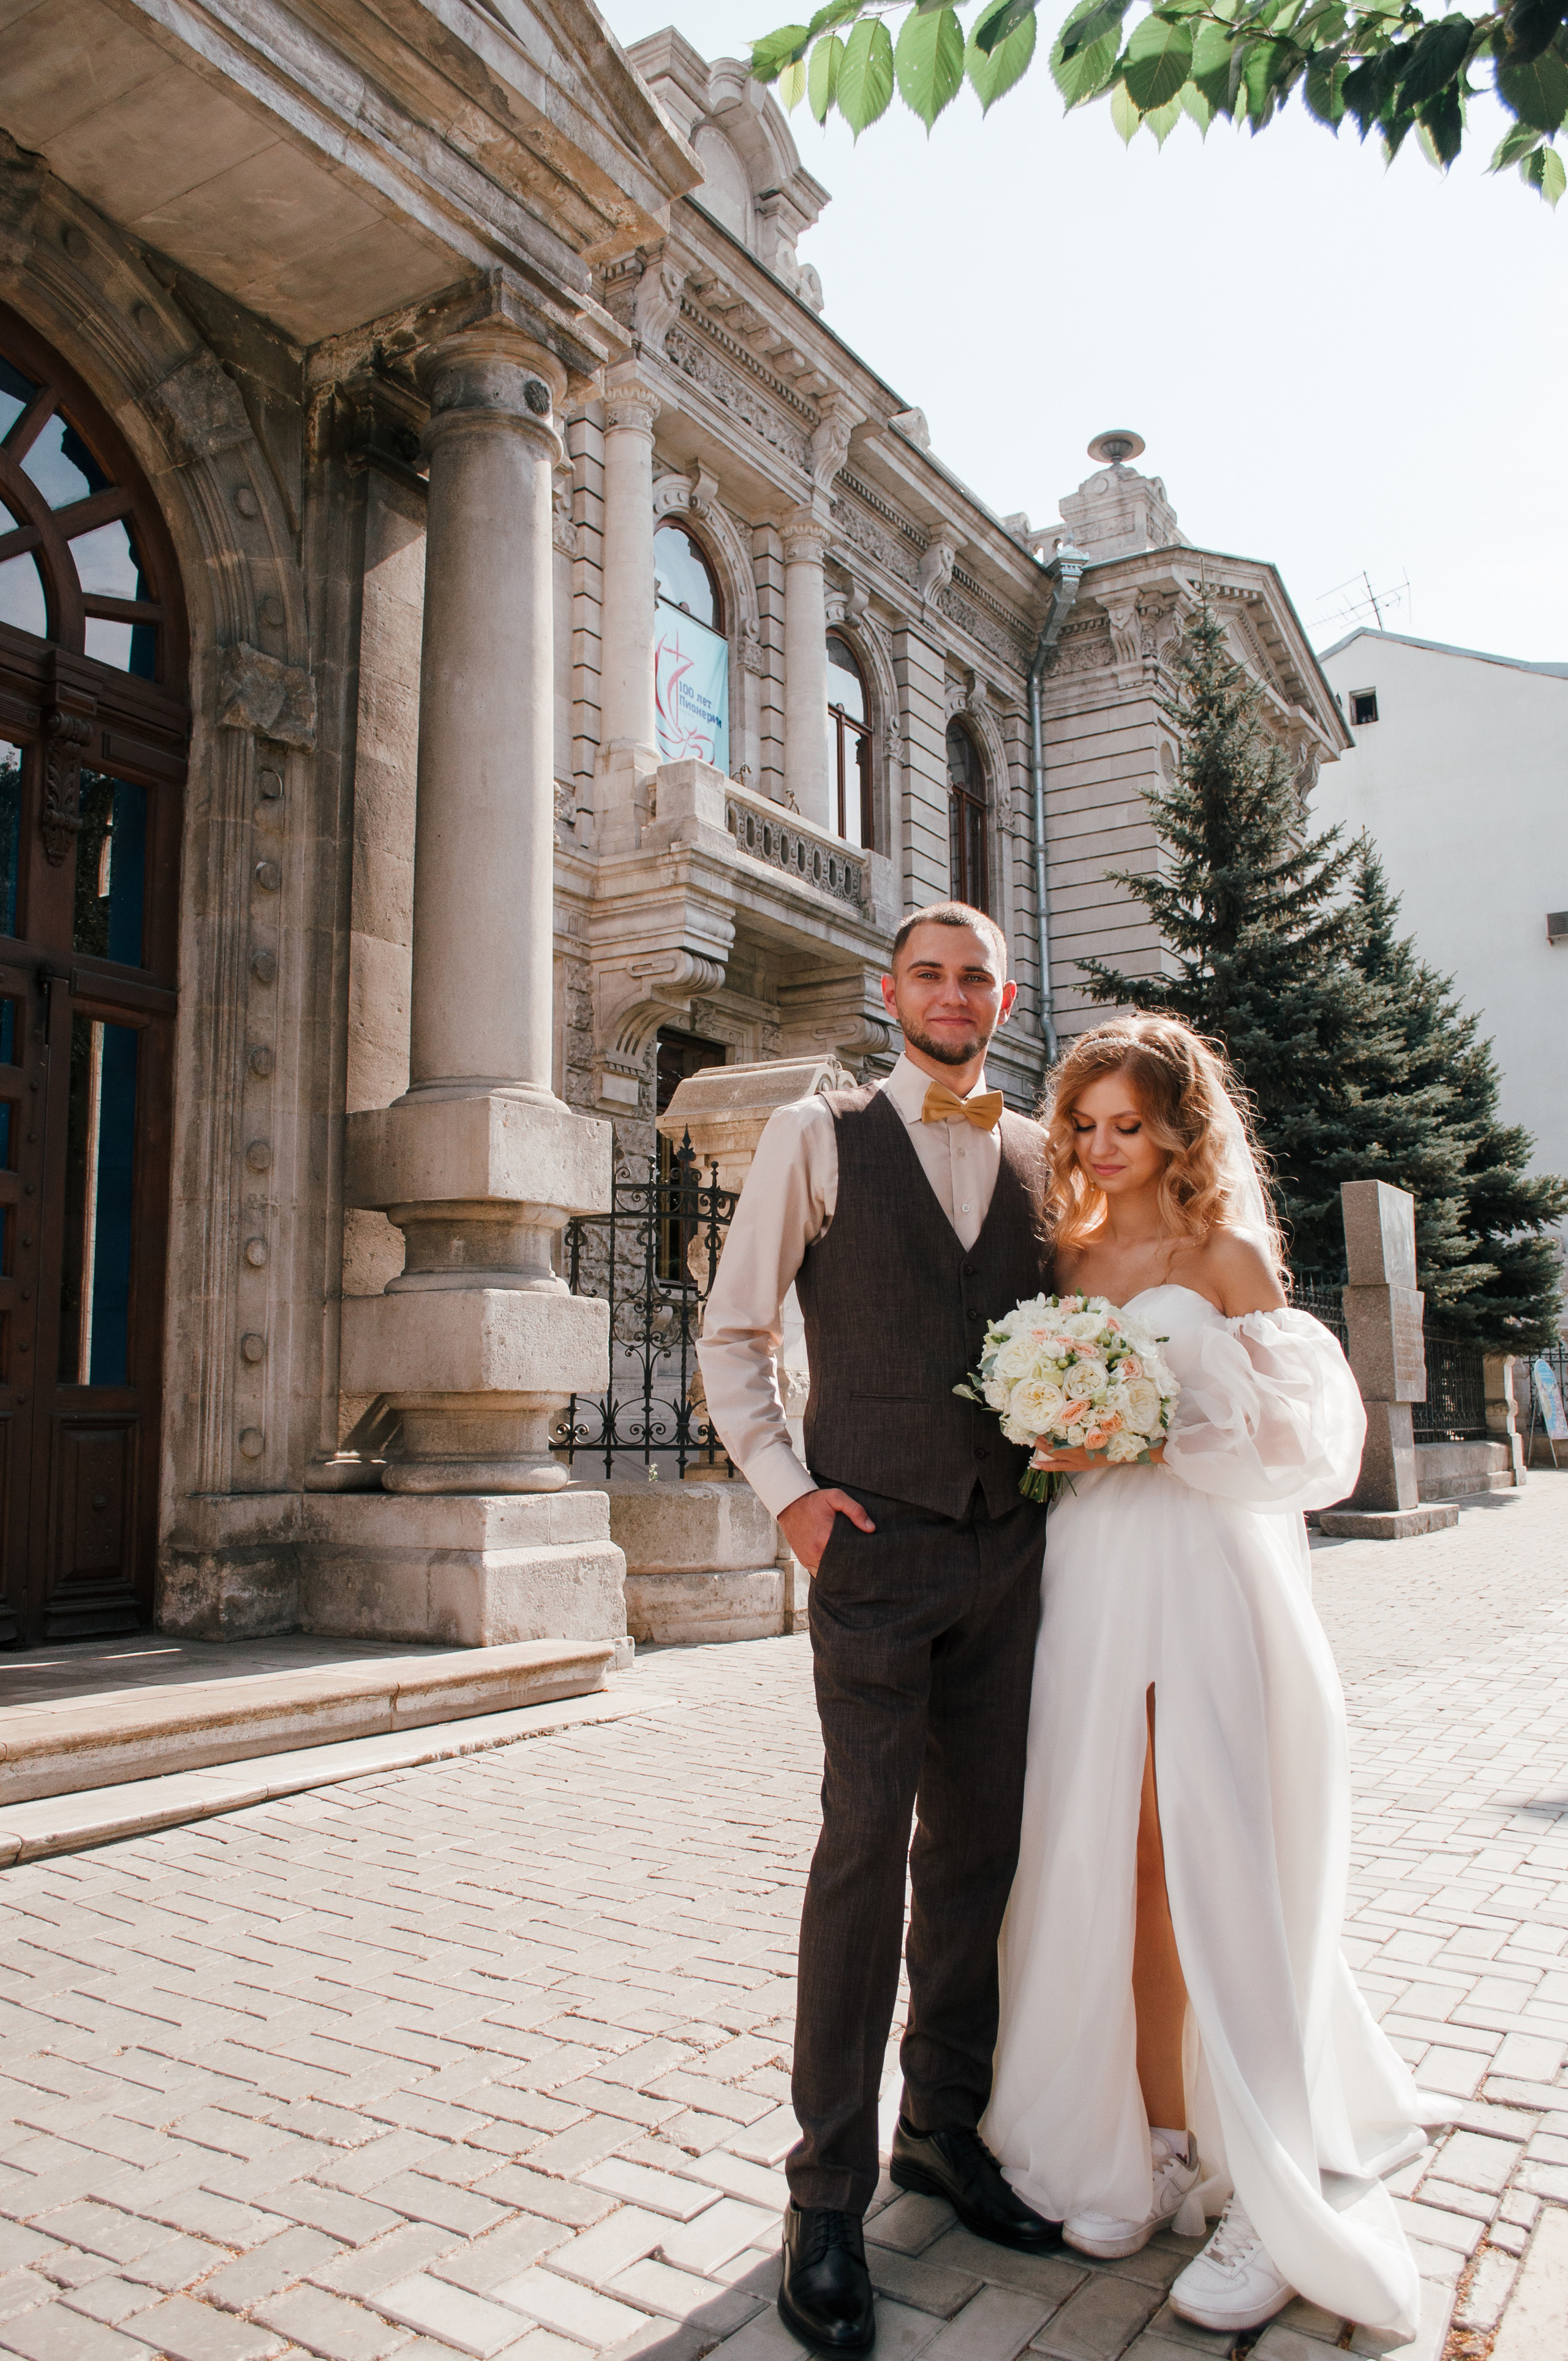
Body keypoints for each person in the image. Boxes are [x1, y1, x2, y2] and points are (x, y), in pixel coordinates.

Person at [984, 1014, 1432, 2341]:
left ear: (1178, 1129)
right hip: (1089, 1578)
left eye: (1129, 1124)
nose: (1104, 1148)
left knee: (1215, 1851)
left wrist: (1159, 1429)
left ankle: (1263, 2176)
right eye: (1085, 1126)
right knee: (1103, 1852)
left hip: (1208, 1576)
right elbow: (1034, 1428)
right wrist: (1064, 1437)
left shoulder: (1223, 1255)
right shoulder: (1060, 1253)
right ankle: (1148, 2139)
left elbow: (1313, 1440)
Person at [698, 903, 1060, 2355]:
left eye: (976, 975)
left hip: (1009, 1553)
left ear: (1002, 995)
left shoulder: (1043, 1153)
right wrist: (786, 1496)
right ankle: (826, 2192)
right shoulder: (816, 1131)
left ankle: (942, 2129)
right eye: (930, 972)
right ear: (889, 990)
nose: (954, 993)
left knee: (977, 1854)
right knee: (863, 1854)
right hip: (869, 1551)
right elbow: (733, 1331)